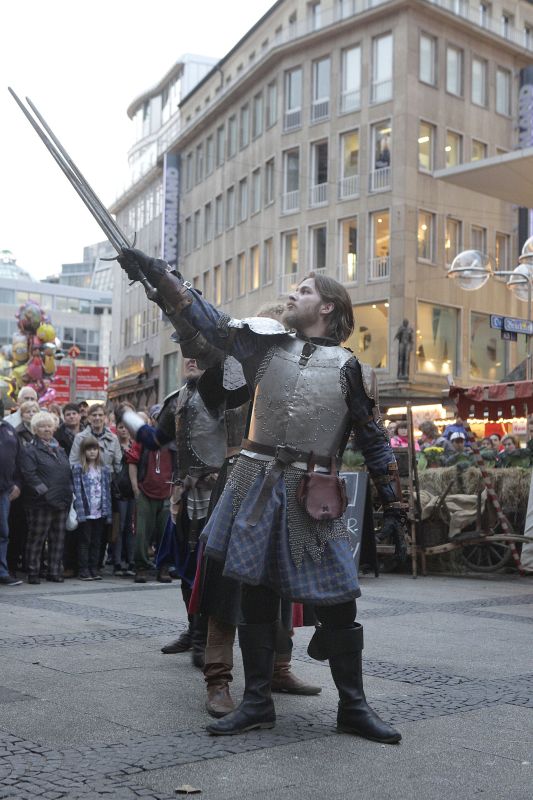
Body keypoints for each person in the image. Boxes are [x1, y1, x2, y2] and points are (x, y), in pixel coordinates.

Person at [117, 247, 405, 744]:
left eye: (305, 289)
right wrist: (161, 276)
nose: (294, 293)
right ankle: (256, 702)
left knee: (339, 602)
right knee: (255, 595)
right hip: (253, 482)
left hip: (313, 490)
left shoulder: (350, 368)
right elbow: (209, 321)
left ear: (328, 306)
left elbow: (374, 438)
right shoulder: (263, 346)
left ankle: (354, 708)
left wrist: (395, 503)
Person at [20, 410, 73, 584]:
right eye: (42, 426)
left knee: (58, 539)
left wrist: (68, 491)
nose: (47, 429)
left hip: (62, 500)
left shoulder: (60, 449)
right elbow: (29, 475)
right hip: (40, 503)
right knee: (37, 538)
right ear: (35, 429)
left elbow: (67, 472)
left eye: (49, 426)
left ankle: (54, 571)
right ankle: (33, 572)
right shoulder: (30, 449)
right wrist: (45, 493)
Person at [125, 404, 175, 584]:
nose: (160, 420)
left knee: (165, 534)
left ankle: (163, 568)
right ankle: (141, 567)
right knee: (141, 534)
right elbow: (132, 461)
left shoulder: (174, 441)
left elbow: (179, 466)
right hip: (145, 492)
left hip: (167, 493)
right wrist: (135, 488)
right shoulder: (143, 439)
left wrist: (176, 490)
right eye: (156, 417)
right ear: (152, 420)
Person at [72, 436, 112, 580]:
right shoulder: (78, 469)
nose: (92, 452)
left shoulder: (104, 469)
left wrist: (108, 513)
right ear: (83, 452)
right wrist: (80, 512)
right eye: (89, 449)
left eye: (95, 449)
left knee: (97, 541)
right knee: (85, 541)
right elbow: (77, 491)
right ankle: (83, 569)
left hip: (100, 511)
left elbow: (107, 492)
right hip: (86, 512)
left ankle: (94, 568)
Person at [111, 420, 135, 577]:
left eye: (126, 427)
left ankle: (131, 560)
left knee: (131, 528)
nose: (124, 430)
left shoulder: (135, 445)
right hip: (118, 493)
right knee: (118, 528)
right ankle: (117, 562)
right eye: (120, 427)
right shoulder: (114, 446)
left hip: (133, 491)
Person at [0, 417, 22, 586]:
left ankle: (2, 572)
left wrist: (18, 484)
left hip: (4, 491)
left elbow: (19, 459)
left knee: (3, 533)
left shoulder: (8, 428)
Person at [69, 404, 122, 472]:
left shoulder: (113, 438)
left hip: (108, 477)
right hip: (86, 477)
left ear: (105, 417)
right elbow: (73, 463)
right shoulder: (80, 438)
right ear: (89, 418)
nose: (97, 418)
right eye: (94, 415)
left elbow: (118, 465)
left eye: (100, 415)